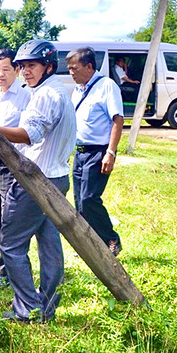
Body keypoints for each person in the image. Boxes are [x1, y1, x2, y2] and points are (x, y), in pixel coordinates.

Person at [0, 39, 75, 323]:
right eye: (23, 66)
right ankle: (47, 305)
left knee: (11, 245)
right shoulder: (54, 90)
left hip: (35, 181)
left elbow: (31, 134)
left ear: (49, 66)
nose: (26, 71)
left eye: (32, 66)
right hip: (57, 177)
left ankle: (28, 309)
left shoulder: (45, 96)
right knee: (48, 242)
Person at [69, 47, 124, 256]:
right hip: (80, 152)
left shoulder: (107, 86)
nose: (71, 73)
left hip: (98, 152)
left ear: (89, 66)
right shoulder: (78, 90)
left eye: (75, 68)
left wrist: (110, 152)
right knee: (79, 202)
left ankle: (111, 238)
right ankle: (89, 245)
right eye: (69, 69)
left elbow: (118, 119)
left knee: (89, 198)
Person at [0, 48, 31, 288]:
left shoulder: (26, 97)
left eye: (5, 69)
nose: (0, 75)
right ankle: (9, 266)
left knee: (10, 219)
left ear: (16, 70)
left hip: (14, 165)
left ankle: (5, 273)